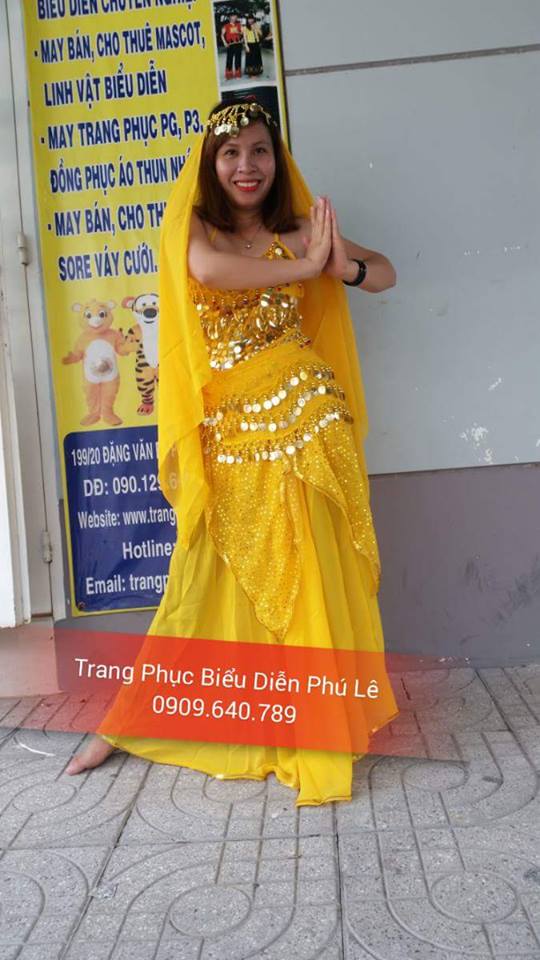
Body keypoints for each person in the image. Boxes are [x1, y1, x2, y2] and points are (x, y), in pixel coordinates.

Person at [66, 99, 399, 806]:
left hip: (308, 428)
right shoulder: (196, 227)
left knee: (309, 570)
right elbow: (210, 272)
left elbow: (385, 272)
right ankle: (128, 720)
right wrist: (302, 266)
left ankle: (316, 725)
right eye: (231, 152)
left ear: (277, 161)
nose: (247, 166)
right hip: (233, 432)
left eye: (260, 151)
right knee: (205, 572)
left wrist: (340, 266)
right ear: (211, 164)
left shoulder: (300, 229)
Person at [221, 13, 243, 80]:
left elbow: (242, 33)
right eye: (233, 17)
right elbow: (222, 35)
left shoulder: (238, 25)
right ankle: (229, 75)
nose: (235, 18)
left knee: (238, 59)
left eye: (236, 17)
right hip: (230, 44)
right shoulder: (226, 26)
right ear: (230, 17)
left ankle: (238, 74)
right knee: (229, 59)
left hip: (238, 43)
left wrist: (238, 32)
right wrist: (224, 42)